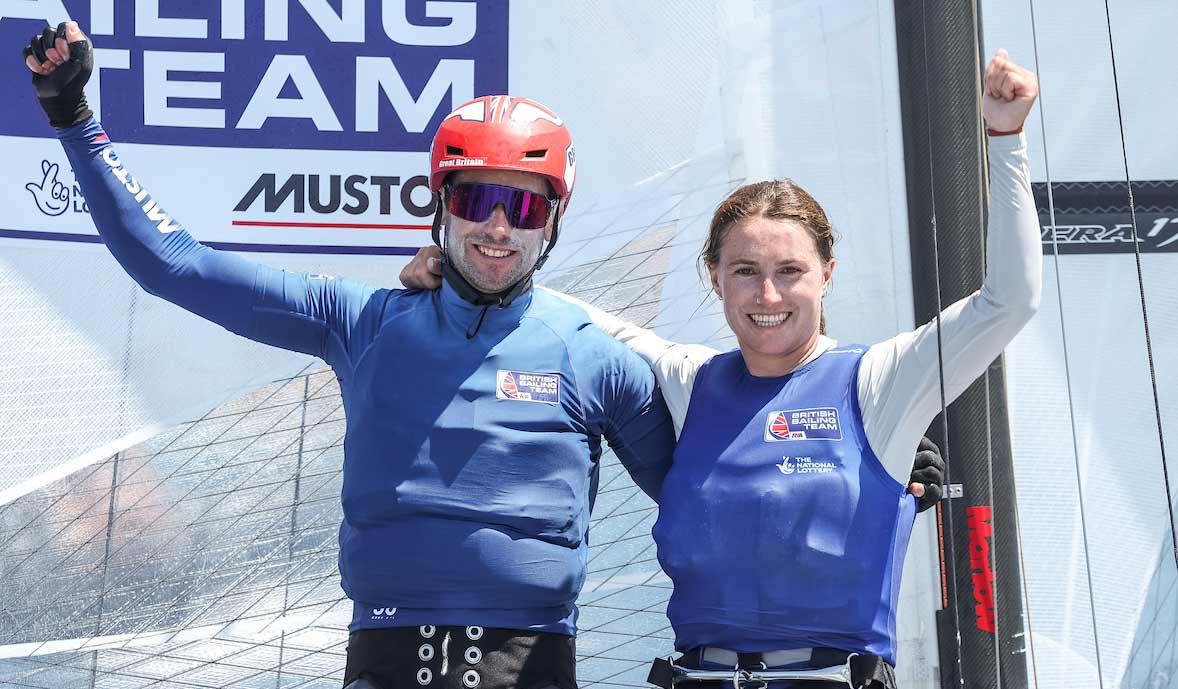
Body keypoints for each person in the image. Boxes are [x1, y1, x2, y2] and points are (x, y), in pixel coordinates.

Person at [23, 21, 943, 689]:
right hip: (379, 661)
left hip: (533, 665)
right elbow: (173, 263)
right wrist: (75, 120)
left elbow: (725, 488)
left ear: (554, 220)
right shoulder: (366, 322)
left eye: (527, 205)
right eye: (478, 200)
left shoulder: (598, 359)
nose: (499, 228)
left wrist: (867, 459)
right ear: (442, 202)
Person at [402, 50, 1040, 688]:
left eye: (789, 272)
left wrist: (1005, 139)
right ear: (714, 279)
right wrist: (456, 270)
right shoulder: (690, 379)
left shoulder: (878, 382)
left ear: (827, 275)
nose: (767, 296)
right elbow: (568, 311)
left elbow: (1008, 302)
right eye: (745, 272)